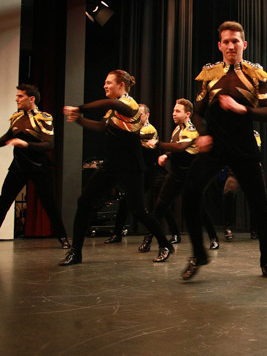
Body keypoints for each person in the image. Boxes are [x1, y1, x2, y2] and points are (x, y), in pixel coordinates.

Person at [179, 21, 267, 280]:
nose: (231, 46)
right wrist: (203, 134)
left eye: (235, 41)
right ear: (220, 45)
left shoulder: (257, 75)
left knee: (260, 205)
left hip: (244, 146)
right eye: (226, 41)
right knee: (190, 194)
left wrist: (241, 108)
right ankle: (198, 254)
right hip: (215, 146)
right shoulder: (209, 74)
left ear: (243, 44)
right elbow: (198, 114)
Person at [60, 70, 174, 265]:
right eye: (105, 82)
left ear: (121, 86)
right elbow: (102, 127)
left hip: (130, 167)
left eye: (109, 82)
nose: (105, 86)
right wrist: (79, 120)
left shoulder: (130, 105)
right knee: (84, 201)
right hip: (112, 165)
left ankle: (165, 244)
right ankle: (75, 251)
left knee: (138, 211)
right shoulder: (113, 110)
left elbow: (111, 104)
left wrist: (80, 108)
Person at [0, 84, 70, 252]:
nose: (17, 99)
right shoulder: (16, 117)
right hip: (19, 166)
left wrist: (26, 144)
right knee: (3, 203)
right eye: (17, 96)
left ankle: (63, 238)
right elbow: (8, 136)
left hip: (39, 167)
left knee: (49, 204)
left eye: (20, 96)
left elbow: (49, 145)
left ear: (31, 99)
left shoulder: (44, 118)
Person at [148, 99, 220, 252]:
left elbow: (181, 147)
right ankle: (149, 239)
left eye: (177, 111)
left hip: (190, 176)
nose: (173, 113)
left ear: (187, 114)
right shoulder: (177, 129)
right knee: (160, 206)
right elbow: (176, 149)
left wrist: (158, 144)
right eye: (173, 110)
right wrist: (166, 155)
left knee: (199, 209)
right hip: (175, 174)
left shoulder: (191, 129)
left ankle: (213, 237)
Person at [104, 103, 181, 245]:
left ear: (147, 115)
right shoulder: (135, 128)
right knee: (126, 201)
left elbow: (133, 140)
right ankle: (117, 233)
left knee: (161, 203)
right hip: (142, 173)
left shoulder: (149, 129)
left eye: (140, 114)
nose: (138, 117)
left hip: (154, 172)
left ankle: (175, 234)